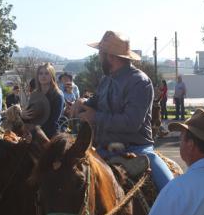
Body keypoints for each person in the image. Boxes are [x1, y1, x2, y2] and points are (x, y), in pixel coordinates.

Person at [72, 30, 174, 191]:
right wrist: (82, 102)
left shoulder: (140, 82)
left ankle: (176, 200)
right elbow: (96, 102)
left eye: (100, 53)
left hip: (136, 148)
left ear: (110, 56)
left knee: (171, 191)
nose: (98, 57)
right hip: (103, 148)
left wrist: (95, 117)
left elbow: (131, 123)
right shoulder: (106, 80)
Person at [22, 63, 64, 138]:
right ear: (37, 76)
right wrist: (23, 116)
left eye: (46, 73)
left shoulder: (57, 95)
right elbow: (30, 115)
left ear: (52, 76)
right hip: (32, 133)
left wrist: (34, 130)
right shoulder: (34, 94)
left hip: (49, 135)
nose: (43, 76)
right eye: (40, 73)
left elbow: (53, 121)